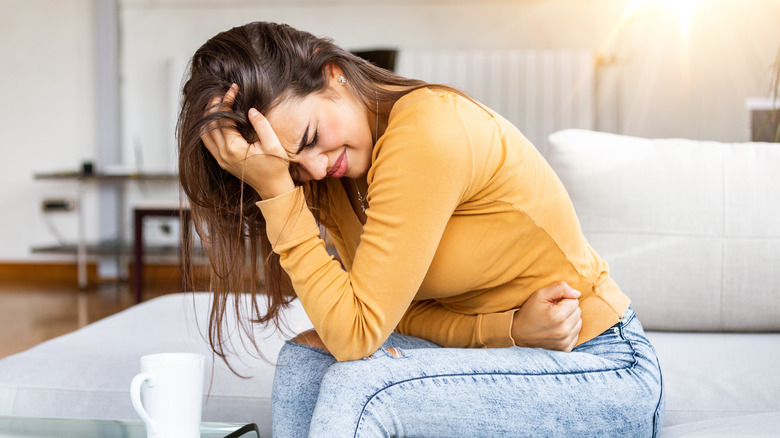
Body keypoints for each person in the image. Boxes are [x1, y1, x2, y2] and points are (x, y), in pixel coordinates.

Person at [177, 21, 664, 437]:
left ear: (334, 75)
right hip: (520, 349)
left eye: (310, 138)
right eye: (291, 168)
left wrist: (277, 193)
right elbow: (391, 317)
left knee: (362, 388)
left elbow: (357, 336)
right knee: (304, 362)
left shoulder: (426, 132)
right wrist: (507, 331)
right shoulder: (338, 177)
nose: (316, 168)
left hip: (599, 363)